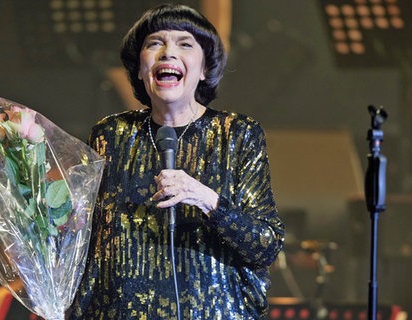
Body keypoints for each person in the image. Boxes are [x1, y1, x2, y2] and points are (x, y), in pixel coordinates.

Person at [67, 4, 285, 319]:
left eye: (185, 44)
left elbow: (265, 244)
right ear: (140, 69)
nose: (168, 53)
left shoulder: (237, 135)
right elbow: (82, 237)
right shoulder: (110, 135)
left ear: (205, 69)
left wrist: (207, 200)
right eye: (155, 43)